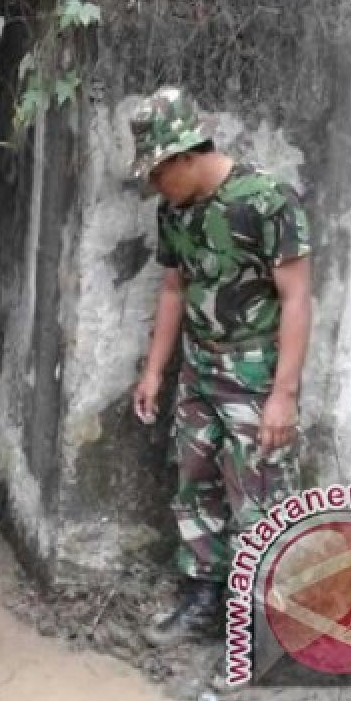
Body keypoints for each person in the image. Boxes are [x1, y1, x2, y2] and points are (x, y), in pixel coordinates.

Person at [129, 87, 312, 647]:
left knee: (259, 498)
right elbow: (173, 286)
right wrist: (155, 370)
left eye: (158, 172)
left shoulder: (267, 201)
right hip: (198, 371)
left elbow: (298, 299)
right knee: (194, 483)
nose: (154, 186)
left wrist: (283, 394)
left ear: (186, 154)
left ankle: (265, 634)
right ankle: (205, 600)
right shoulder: (175, 210)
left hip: (254, 378)